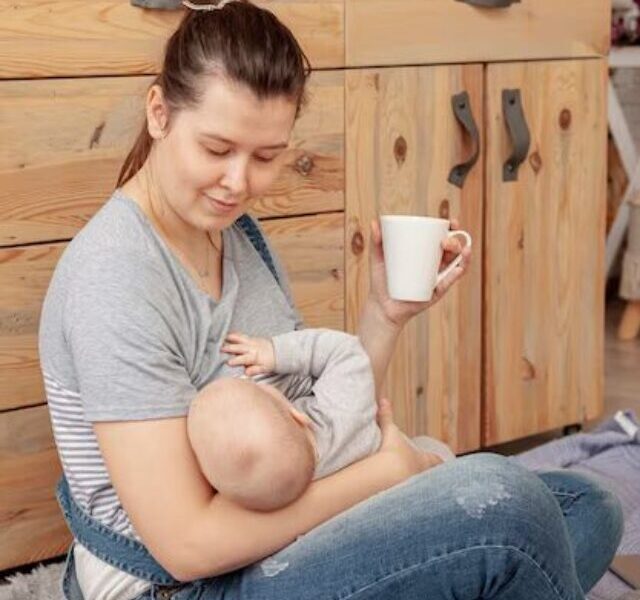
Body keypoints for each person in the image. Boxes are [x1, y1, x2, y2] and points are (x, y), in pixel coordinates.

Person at [37, 0, 623, 598]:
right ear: (159, 113)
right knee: (515, 517)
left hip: (275, 532)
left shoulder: (231, 234)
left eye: (266, 157)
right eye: (216, 149)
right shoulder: (116, 276)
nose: (238, 182)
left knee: (585, 505)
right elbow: (185, 545)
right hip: (172, 583)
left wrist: (384, 316)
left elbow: (325, 426)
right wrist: (386, 475)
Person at [187, 328, 455, 512]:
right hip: (416, 477)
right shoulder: (340, 411)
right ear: (296, 414)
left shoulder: (279, 495)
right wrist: (275, 353)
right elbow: (346, 351)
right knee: (435, 449)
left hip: (376, 511)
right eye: (259, 387)